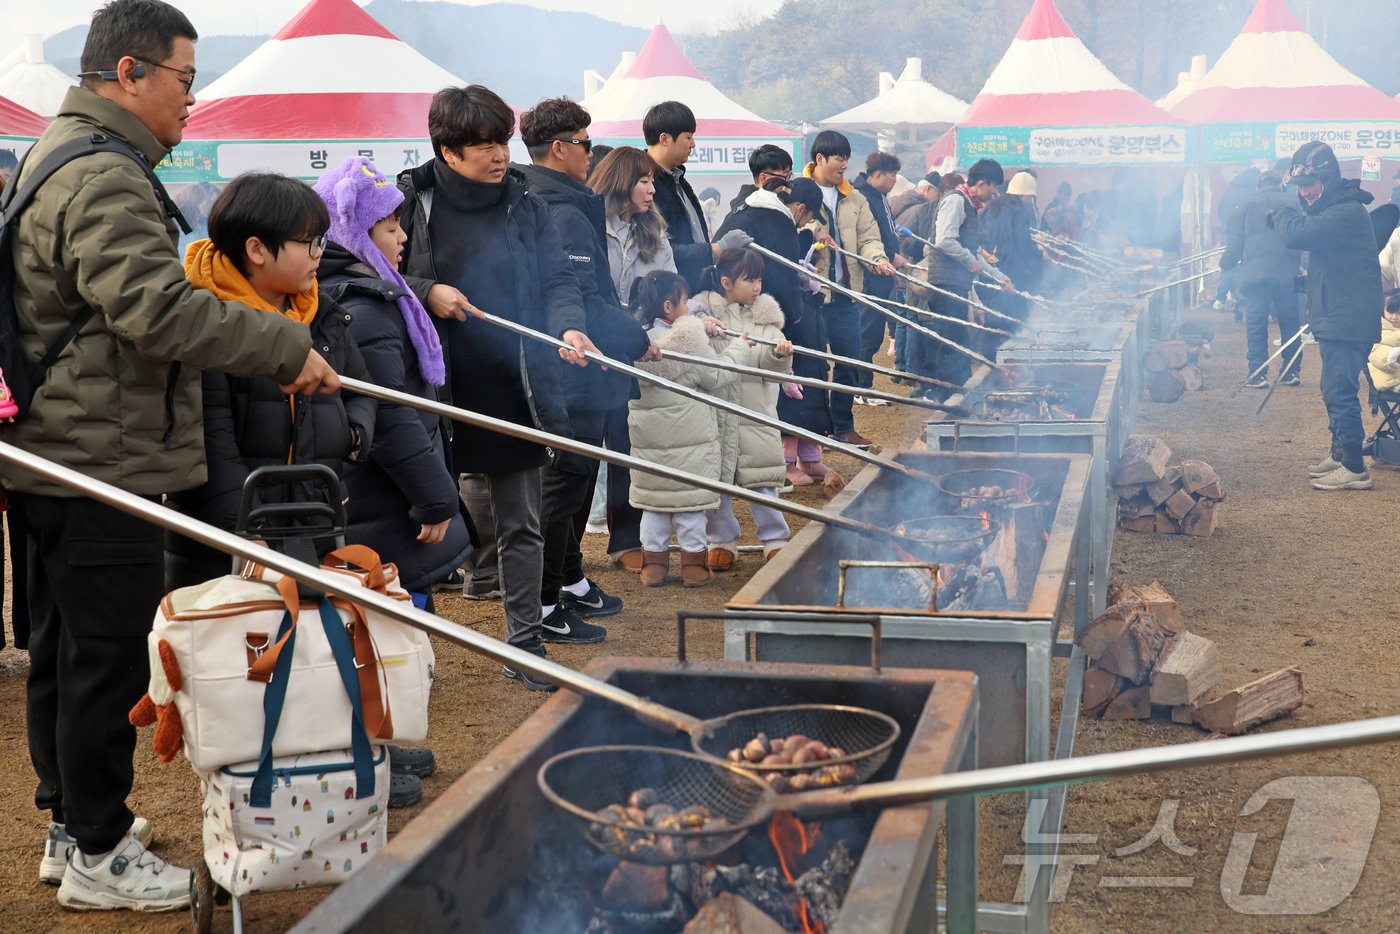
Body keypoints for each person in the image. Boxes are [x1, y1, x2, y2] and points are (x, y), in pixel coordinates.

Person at [7, 0, 336, 912]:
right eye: (185, 79)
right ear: (130, 73)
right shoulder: (103, 175)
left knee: (65, 649)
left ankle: (73, 825)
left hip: (63, 445)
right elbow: (156, 309)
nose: (193, 98)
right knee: (104, 657)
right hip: (96, 452)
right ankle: (99, 852)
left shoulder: (64, 152)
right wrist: (283, 347)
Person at [396, 84, 601, 690]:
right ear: (447, 150)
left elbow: (558, 278)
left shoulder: (524, 202)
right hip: (434, 386)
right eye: (483, 146)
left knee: (522, 522)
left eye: (502, 143)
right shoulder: (409, 200)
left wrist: (569, 326)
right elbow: (370, 270)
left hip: (515, 381)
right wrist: (426, 290)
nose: (499, 156)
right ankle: (403, 652)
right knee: (416, 519)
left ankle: (526, 644)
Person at [515, 97, 651, 627]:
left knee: (575, 479)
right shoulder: (563, 210)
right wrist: (634, 338)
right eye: (585, 144)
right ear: (559, 148)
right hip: (573, 366)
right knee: (566, 481)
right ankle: (545, 600)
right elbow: (582, 295)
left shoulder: (548, 197)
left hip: (572, 359)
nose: (591, 154)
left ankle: (569, 579)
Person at [1270, 140, 1384, 492]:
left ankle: (1354, 467)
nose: (1304, 192)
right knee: (1332, 389)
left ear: (1328, 178)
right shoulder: (1334, 210)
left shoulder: (1345, 212)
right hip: (1339, 316)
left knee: (1340, 391)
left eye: (1309, 184)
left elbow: (1297, 234)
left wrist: (1281, 211)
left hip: (1348, 319)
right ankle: (1340, 454)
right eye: (1299, 186)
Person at [715, 176, 838, 487]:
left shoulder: (760, 213)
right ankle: (784, 461)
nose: (806, 222)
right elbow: (782, 277)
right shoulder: (776, 220)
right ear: (799, 208)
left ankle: (808, 455)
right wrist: (794, 317)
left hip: (772, 310)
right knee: (780, 393)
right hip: (770, 315)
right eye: (808, 216)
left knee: (806, 383)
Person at [626, 271, 746, 587]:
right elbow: (718, 375)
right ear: (669, 306)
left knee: (653, 507)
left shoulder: (635, 343)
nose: (688, 307)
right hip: (692, 446)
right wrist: (740, 347)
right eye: (684, 301)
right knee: (691, 508)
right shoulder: (690, 344)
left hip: (648, 446)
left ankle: (654, 565)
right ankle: (693, 567)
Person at [688, 249, 795, 569]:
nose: (757, 286)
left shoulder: (766, 319)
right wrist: (699, 325)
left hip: (754, 414)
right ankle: (721, 540)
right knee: (716, 482)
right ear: (726, 282)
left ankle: (775, 538)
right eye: (749, 280)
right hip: (715, 414)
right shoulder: (702, 314)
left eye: (759, 279)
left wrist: (779, 356)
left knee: (763, 479)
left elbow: (769, 369)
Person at [803, 130, 897, 447]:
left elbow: (869, 237)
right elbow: (794, 223)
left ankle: (843, 427)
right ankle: (814, 434)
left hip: (845, 294)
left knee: (850, 361)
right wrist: (814, 231)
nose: (844, 165)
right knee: (814, 366)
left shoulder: (854, 198)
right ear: (820, 159)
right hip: (811, 295)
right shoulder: (799, 191)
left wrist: (878, 259)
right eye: (838, 159)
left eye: (846, 159)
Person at [925, 158, 1012, 396]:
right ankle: (946, 397)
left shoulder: (969, 205)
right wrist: (970, 261)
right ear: (982, 183)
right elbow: (944, 240)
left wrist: (999, 277)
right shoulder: (956, 200)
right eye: (994, 187)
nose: (995, 193)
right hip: (945, 284)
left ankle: (957, 395)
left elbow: (973, 252)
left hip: (956, 284)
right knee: (951, 343)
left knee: (958, 341)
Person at [1220, 170, 1302, 388]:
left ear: (1259, 186)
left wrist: (1226, 264)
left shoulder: (1247, 205)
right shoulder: (1294, 204)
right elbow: (1302, 234)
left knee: (1256, 322)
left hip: (1256, 273)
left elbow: (1234, 241)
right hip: (1286, 272)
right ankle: (1291, 371)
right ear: (1281, 184)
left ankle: (1257, 373)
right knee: (1290, 321)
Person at [852, 151, 909, 406]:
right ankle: (861, 388)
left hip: (883, 271)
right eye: (892, 175)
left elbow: (887, 232)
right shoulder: (862, 197)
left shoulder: (880, 196)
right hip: (870, 273)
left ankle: (862, 386)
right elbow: (865, 237)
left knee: (873, 333)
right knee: (867, 333)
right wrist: (891, 256)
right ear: (877, 174)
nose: (895, 180)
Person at [591, 146, 677, 305]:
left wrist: (699, 313)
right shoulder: (589, 228)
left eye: (652, 182)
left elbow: (674, 294)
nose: (652, 190)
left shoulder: (657, 234)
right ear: (621, 182)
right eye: (644, 181)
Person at [981, 171, 1044, 336]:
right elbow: (1023, 246)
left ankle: (991, 345)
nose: (1029, 200)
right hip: (1012, 270)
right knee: (1013, 316)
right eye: (1029, 196)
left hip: (991, 267)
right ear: (1022, 195)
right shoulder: (1019, 212)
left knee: (993, 314)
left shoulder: (993, 207)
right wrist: (1040, 255)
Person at [726, 143, 794, 218]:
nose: (787, 183)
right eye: (785, 176)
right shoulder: (757, 211)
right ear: (763, 178)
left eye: (789, 175)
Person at [1366, 290, 1400, 393]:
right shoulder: (1378, 330)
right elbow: (1376, 353)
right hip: (1391, 379)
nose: (1394, 317)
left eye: (1399, 313)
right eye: (1390, 312)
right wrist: (1394, 355)